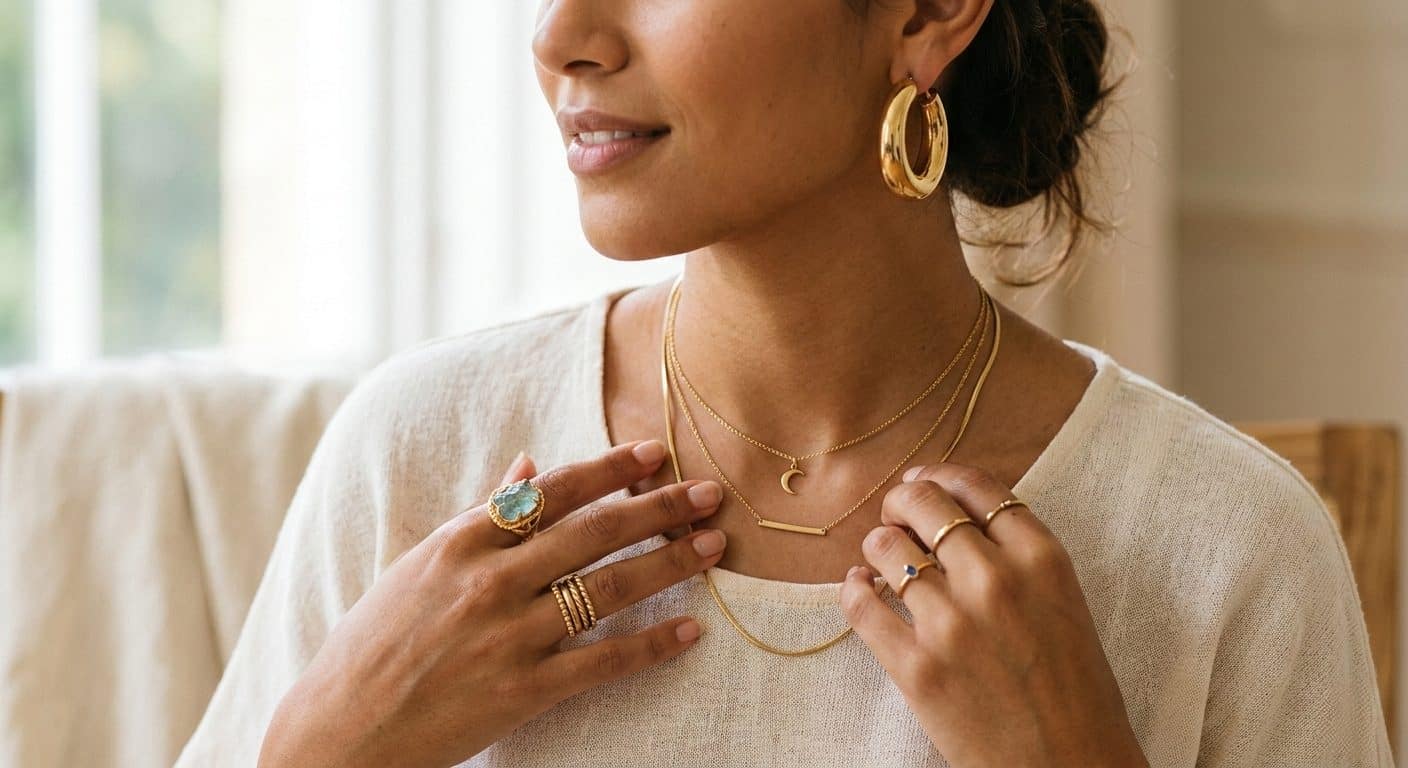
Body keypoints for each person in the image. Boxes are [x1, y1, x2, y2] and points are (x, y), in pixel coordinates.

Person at [177, 0, 1394, 765]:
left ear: (926, 14)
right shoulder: (426, 452)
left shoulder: (1226, 546)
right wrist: (325, 752)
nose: (562, 34)